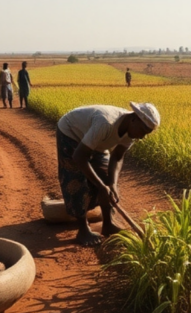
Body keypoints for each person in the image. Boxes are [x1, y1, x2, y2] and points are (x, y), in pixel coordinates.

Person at [55, 102, 160, 246]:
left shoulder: (131, 132)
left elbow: (117, 157)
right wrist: (100, 186)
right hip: (71, 133)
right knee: (76, 179)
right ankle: (83, 229)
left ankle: (108, 224)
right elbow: (79, 156)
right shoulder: (106, 122)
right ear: (134, 119)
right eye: (143, 131)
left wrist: (112, 184)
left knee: (107, 182)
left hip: (96, 140)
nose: (142, 137)